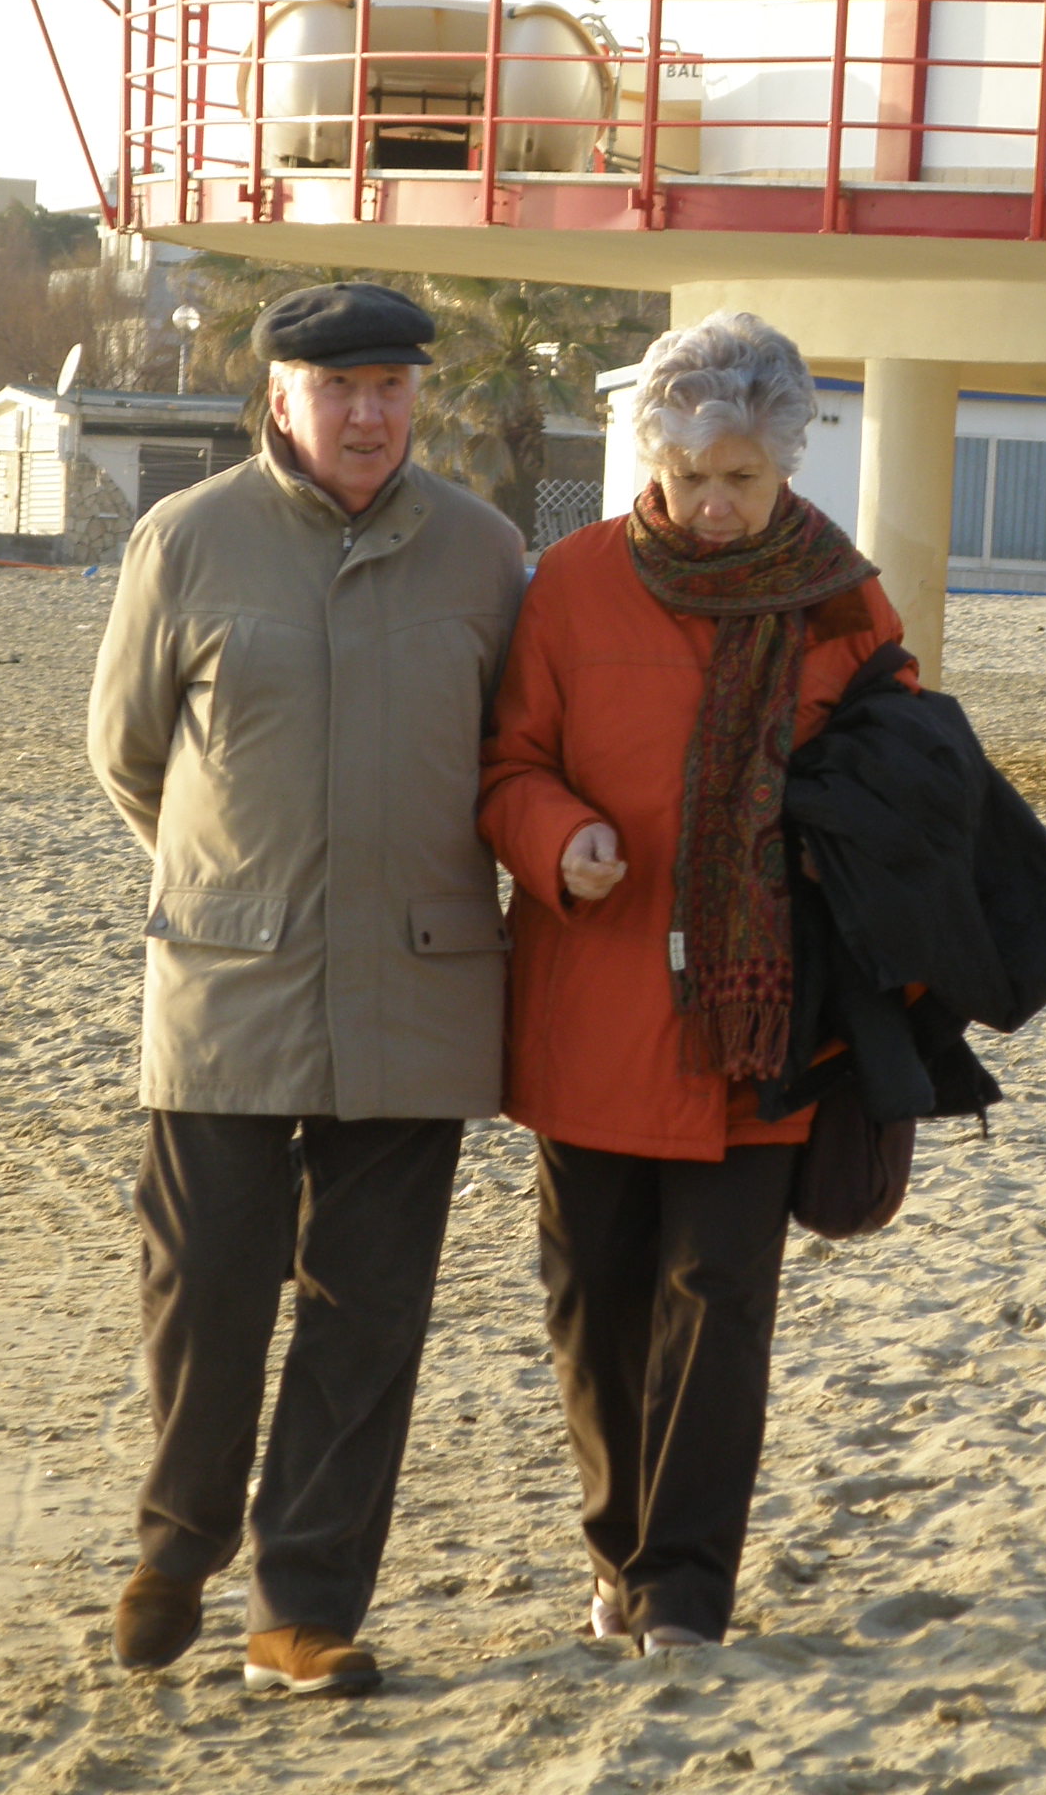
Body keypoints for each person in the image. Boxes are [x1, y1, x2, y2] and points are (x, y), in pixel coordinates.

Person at [86, 283, 526, 1697]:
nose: (369, 414)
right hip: (229, 990)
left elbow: (514, 756)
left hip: (420, 991)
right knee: (202, 1288)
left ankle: (304, 1609)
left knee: (367, 1319)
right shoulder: (186, 538)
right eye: (340, 389)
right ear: (280, 397)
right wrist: (234, 881)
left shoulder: (485, 553)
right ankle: (177, 1546)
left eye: (392, 386)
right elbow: (127, 755)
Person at [479, 311, 908, 1651]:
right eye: (688, 476)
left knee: (719, 1307)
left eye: (743, 478)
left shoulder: (842, 597)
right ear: (647, 460)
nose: (714, 505)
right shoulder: (572, 583)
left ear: (786, 465)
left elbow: (905, 791)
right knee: (592, 1306)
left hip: (765, 1022)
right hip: (592, 1007)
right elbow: (508, 765)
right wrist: (560, 838)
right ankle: (617, 1554)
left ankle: (683, 1588)